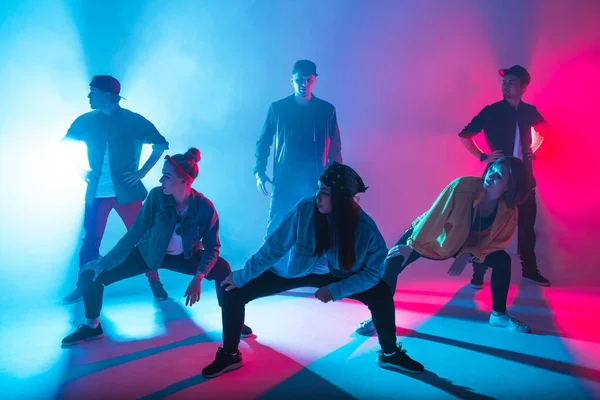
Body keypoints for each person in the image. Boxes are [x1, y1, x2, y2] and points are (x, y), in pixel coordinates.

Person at [202, 162, 424, 378]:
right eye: (318, 189)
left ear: (342, 198)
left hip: (339, 275)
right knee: (232, 290)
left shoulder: (365, 228)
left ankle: (390, 354)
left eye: (325, 192)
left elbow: (374, 273)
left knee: (382, 293)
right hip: (296, 270)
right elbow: (273, 249)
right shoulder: (304, 209)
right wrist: (242, 276)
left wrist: (336, 290)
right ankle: (230, 354)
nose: (317, 196)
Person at [61, 148, 252, 346]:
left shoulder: (204, 207)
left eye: (166, 176)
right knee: (91, 272)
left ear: (184, 181)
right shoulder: (156, 196)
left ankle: (234, 322)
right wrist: (104, 263)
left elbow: (213, 247)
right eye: (162, 175)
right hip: (149, 254)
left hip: (186, 257)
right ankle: (92, 326)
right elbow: (134, 233)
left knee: (223, 269)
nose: (161, 181)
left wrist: (199, 276)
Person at [356, 157, 533, 336]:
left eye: (499, 176)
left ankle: (498, 315)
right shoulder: (462, 187)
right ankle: (379, 316)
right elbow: (436, 216)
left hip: (463, 245)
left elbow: (497, 243)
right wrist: (413, 246)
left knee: (502, 260)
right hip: (434, 234)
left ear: (510, 187)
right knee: (392, 263)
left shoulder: (509, 212)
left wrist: (468, 253)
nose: (491, 174)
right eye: (492, 168)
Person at [62, 75, 170, 304]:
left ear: (106, 95)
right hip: (96, 195)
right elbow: (65, 145)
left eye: (93, 92)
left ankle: (155, 283)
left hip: (127, 194)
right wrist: (81, 171)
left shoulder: (133, 120)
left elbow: (160, 144)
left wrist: (141, 173)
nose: (89, 96)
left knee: (144, 238)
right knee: (91, 240)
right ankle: (84, 287)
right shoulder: (86, 120)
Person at [458, 65, 551, 288]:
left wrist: (537, 151)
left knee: (527, 227)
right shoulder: (492, 111)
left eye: (511, 82)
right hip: (496, 181)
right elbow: (465, 135)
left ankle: (529, 270)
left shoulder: (529, 111)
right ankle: (478, 274)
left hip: (524, 180)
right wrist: (483, 156)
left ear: (523, 86)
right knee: (485, 226)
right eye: (504, 82)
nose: (505, 85)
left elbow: (547, 131)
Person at [254, 60, 343, 241]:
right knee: (276, 229)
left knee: (315, 230)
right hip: (285, 179)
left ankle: (307, 267)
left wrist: (334, 179)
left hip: (315, 180)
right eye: (299, 80)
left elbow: (335, 147)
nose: (304, 84)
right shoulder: (278, 109)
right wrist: (259, 172)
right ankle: (269, 267)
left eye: (308, 80)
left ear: (314, 80)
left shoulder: (326, 110)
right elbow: (263, 142)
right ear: (292, 80)